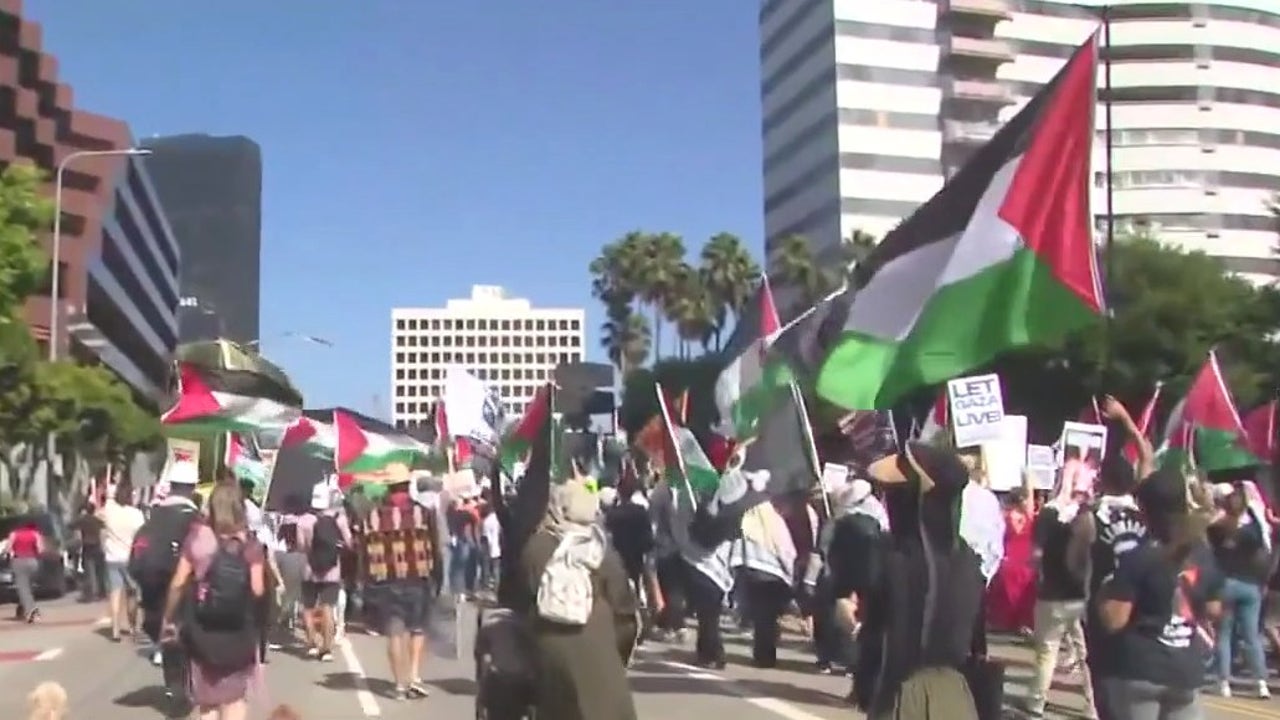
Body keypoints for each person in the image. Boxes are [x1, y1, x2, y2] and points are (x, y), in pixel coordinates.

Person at [855, 442, 985, 720]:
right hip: (957, 696)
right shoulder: (969, 559)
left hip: (901, 694)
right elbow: (977, 640)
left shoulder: (893, 559)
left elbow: (883, 639)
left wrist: (868, 689)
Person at [1093, 466, 1222, 720]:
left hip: (1141, 670)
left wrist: (1104, 592)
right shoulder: (1203, 554)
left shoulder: (1140, 557)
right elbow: (1214, 610)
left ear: (1146, 511)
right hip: (1185, 670)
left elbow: (1114, 619)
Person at [510, 478, 639, 720]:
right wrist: (613, 652)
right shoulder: (602, 550)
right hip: (601, 649)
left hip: (550, 650)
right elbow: (625, 612)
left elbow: (523, 602)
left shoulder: (537, 546)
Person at [161, 483, 266, 720]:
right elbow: (258, 590)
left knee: (207, 703)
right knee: (234, 699)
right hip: (239, 632)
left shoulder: (198, 539)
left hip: (202, 631)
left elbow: (178, 583)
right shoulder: (251, 545)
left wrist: (169, 617)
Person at [359, 481, 440, 700]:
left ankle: (399, 686)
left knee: (395, 633)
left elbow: (364, 552)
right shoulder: (422, 513)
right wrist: (438, 577)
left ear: (388, 488)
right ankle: (414, 676)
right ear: (407, 487)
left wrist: (366, 581)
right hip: (417, 578)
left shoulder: (372, 516)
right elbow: (435, 544)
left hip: (385, 581)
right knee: (418, 629)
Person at [134, 460, 202, 712]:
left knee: (168, 637)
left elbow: (137, 555)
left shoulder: (153, 517)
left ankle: (173, 684)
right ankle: (186, 685)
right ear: (192, 487)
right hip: (186, 589)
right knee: (188, 638)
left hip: (153, 591)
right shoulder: (194, 519)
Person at [1207, 482, 1271, 699]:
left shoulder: (1217, 529)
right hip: (1250, 584)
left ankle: (1223, 682)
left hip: (1225, 583)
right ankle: (1261, 682)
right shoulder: (1254, 530)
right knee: (1252, 635)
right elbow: (1262, 556)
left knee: (1223, 635)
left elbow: (1210, 553)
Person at [296, 482, 352, 661]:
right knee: (328, 606)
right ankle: (326, 649)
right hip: (332, 569)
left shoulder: (303, 520)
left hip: (309, 569)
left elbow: (301, 546)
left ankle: (312, 643)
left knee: (308, 606)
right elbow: (349, 542)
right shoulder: (339, 518)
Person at [100, 482, 146, 641]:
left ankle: (115, 629)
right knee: (132, 593)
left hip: (112, 557)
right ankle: (133, 626)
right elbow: (142, 535)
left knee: (115, 593)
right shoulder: (136, 514)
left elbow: (100, 514)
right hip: (130, 557)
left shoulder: (109, 511)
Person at [5, 516, 44, 622]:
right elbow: (40, 549)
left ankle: (32, 613)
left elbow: (8, 549)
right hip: (33, 562)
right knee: (29, 588)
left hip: (19, 561)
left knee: (23, 589)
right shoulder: (35, 534)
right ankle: (22, 610)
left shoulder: (14, 534)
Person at [75, 501, 107, 602]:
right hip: (97, 546)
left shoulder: (82, 520)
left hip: (87, 546)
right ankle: (102, 593)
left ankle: (88, 595)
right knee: (99, 572)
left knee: (88, 571)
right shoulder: (97, 520)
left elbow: (70, 525)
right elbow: (104, 527)